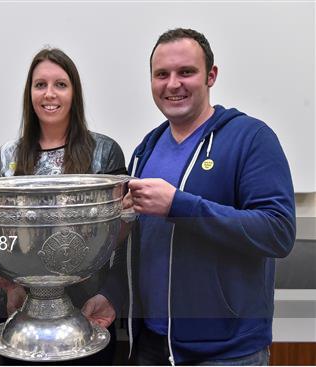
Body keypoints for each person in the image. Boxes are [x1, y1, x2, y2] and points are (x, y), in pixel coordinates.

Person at [83, 28, 296, 365]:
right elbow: (137, 244)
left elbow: (278, 232)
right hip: (150, 346)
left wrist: (178, 205)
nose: (173, 84)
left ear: (210, 76)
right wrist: (112, 295)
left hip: (227, 353)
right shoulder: (145, 150)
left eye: (186, 72)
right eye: (162, 74)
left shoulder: (251, 138)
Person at [0, 47, 127, 364]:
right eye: (40, 85)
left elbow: (121, 233)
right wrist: (8, 283)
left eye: (60, 84)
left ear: (74, 92)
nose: (49, 94)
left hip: (86, 315)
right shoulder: (8, 156)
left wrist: (113, 295)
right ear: (30, 93)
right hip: (18, 313)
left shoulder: (104, 152)